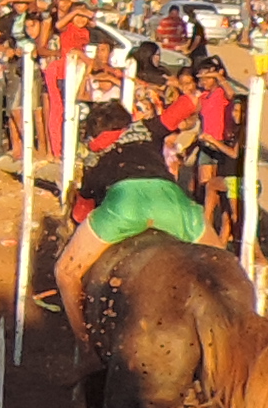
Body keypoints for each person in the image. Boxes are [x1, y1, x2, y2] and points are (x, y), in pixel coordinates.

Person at [54, 103, 210, 330]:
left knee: (65, 272)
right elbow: (184, 106)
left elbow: (79, 214)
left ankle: (85, 344)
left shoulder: (93, 156)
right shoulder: (147, 128)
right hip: (172, 201)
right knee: (224, 266)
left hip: (125, 203)